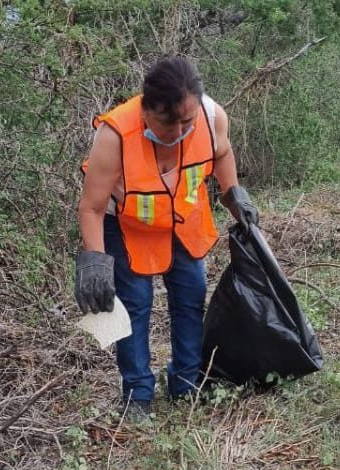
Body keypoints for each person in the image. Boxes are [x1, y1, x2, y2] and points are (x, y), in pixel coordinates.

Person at [76, 56, 258, 419]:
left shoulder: (211, 116)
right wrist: (95, 260)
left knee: (190, 300)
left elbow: (222, 152)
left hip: (182, 220)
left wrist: (232, 190)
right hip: (127, 227)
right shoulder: (115, 135)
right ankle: (137, 395)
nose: (176, 133)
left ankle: (186, 385)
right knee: (135, 306)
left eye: (185, 122)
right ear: (145, 108)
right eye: (164, 123)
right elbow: (92, 207)